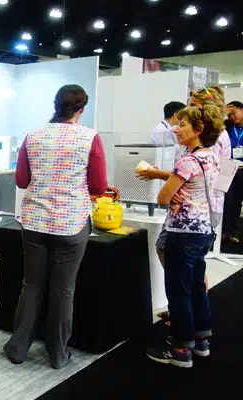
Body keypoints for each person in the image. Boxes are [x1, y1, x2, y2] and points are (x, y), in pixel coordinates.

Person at [4, 85, 107, 369]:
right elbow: (98, 186)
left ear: (54, 104)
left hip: (35, 222)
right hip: (71, 224)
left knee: (32, 285)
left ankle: (18, 348)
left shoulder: (33, 136)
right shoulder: (90, 138)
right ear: (82, 108)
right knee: (64, 290)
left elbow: (22, 181)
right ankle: (58, 355)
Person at [137, 87, 230, 310]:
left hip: (193, 215)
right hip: (194, 211)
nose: (178, 128)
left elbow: (200, 173)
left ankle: (187, 312)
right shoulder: (205, 142)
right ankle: (193, 314)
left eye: (194, 106)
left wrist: (163, 178)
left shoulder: (214, 139)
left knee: (187, 270)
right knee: (187, 264)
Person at [146, 104, 223, 368]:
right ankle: (201, 340)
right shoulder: (210, 156)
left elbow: (163, 197)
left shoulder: (188, 161)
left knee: (178, 291)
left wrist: (172, 192)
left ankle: (181, 348)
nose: (177, 129)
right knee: (196, 287)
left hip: (183, 232)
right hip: (203, 230)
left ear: (198, 130)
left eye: (183, 125)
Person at [222, 100, 243, 242]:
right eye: (229, 115)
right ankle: (226, 232)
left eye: (234, 113)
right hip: (229, 168)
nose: (231, 117)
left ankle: (236, 232)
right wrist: (223, 112)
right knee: (229, 201)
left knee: (238, 200)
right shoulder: (227, 127)